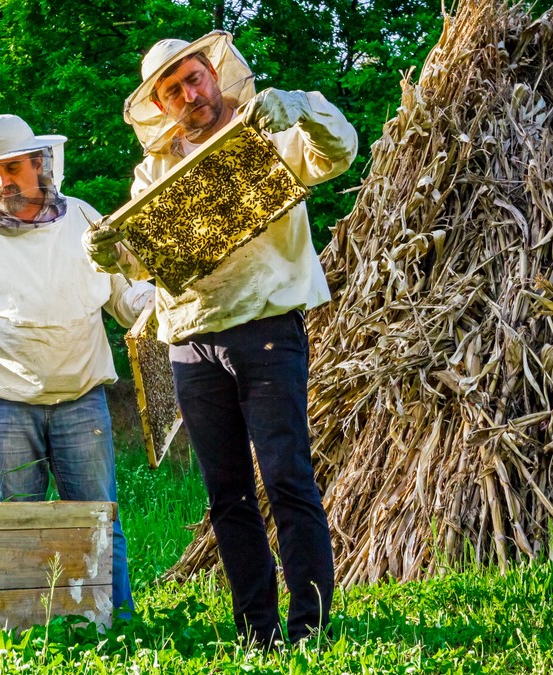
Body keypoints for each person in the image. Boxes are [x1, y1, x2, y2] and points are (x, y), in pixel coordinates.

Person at [84, 31, 358, 645]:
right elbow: (143, 259)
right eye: (173, 89)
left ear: (213, 72)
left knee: (287, 477)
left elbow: (338, 152)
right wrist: (109, 250)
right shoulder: (154, 170)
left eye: (194, 77)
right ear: (160, 104)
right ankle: (256, 632)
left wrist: (306, 110)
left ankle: (310, 630)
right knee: (226, 493)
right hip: (192, 340)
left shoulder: (265, 123)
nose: (190, 93)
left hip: (266, 327)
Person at [0, 113, 153, 614]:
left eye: (11, 168)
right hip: (5, 403)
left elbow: (127, 295)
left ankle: (119, 622)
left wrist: (160, 299)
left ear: (39, 164)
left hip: (81, 400)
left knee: (99, 521)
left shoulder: (85, 219)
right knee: (16, 525)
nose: (1, 181)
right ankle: (29, 629)